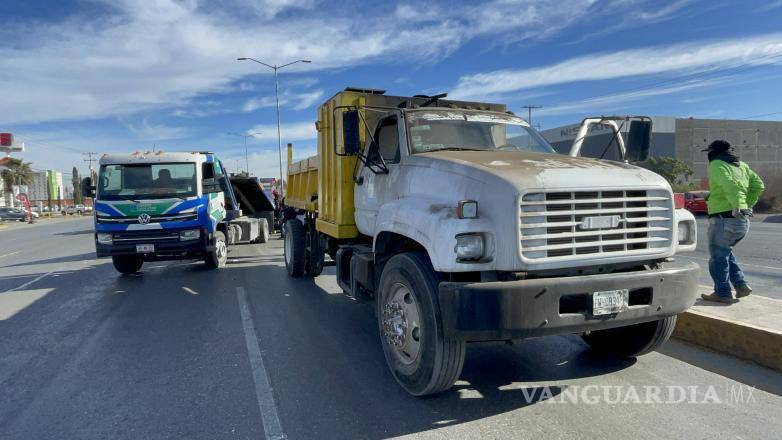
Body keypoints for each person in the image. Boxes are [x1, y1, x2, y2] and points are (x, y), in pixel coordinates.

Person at [700, 140, 764, 304]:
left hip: (724, 219)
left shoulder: (716, 164)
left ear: (713, 152)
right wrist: (747, 205)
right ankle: (741, 286)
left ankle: (722, 293)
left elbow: (731, 185)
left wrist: (738, 206)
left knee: (718, 258)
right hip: (742, 221)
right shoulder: (742, 166)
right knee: (725, 253)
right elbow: (758, 186)